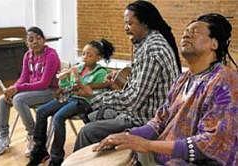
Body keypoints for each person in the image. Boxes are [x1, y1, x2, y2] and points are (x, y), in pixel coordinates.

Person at [93, 13, 238, 166]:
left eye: (195, 31)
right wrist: (128, 135)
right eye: (185, 31)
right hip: (163, 155)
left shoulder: (225, 79)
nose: (186, 34)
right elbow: (159, 120)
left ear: (214, 44)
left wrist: (146, 145)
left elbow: (211, 143)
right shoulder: (183, 79)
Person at [73, 0, 182, 151]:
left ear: (145, 23)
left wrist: (94, 97)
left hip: (146, 120)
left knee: (88, 131)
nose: (126, 28)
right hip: (140, 112)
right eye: (125, 23)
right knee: (92, 115)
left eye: (130, 24)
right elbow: (141, 83)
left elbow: (134, 100)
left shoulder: (152, 50)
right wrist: (120, 78)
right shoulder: (149, 43)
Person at [27, 39, 115, 166]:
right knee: (41, 111)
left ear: (98, 57)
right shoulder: (80, 67)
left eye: (89, 55)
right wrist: (64, 78)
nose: (85, 57)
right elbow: (68, 86)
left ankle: (56, 159)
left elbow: (88, 91)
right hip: (70, 98)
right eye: (84, 54)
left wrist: (77, 77)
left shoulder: (101, 72)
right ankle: (39, 150)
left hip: (84, 102)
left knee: (58, 117)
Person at [0, 27, 61, 157]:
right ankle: (3, 137)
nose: (35, 42)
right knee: (3, 99)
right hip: (34, 91)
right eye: (31, 40)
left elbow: (43, 83)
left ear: (44, 39)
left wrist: (18, 89)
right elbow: (23, 78)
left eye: (38, 38)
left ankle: (35, 136)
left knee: (19, 99)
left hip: (50, 91)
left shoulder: (51, 55)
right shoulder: (27, 55)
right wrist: (12, 88)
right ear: (27, 43)